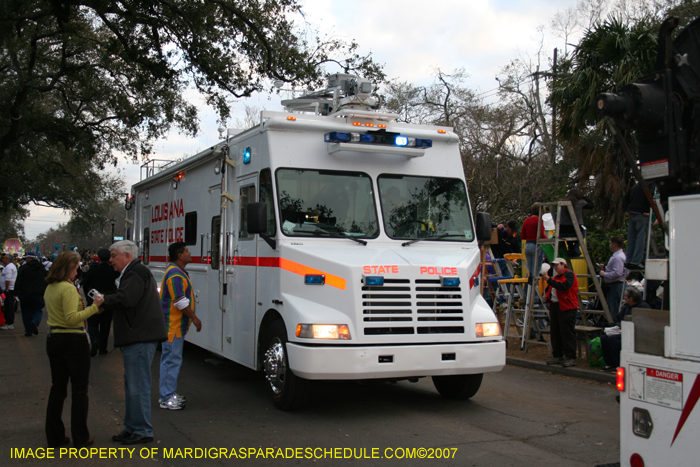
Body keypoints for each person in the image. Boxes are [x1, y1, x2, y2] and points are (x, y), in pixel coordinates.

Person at [102, 240, 167, 445]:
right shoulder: (135, 272)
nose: (110, 260)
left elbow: (126, 299)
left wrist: (104, 300)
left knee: (137, 385)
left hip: (139, 337)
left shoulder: (135, 273)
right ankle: (132, 427)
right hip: (138, 336)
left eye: (113, 256)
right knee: (132, 385)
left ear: (126, 256)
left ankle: (141, 430)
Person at [44, 251, 104, 449]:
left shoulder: (51, 287)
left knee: (58, 388)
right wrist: (95, 307)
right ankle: (80, 435)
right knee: (79, 390)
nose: (78, 269)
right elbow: (72, 318)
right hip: (73, 339)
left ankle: (55, 435)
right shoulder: (68, 289)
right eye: (75, 266)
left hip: (54, 338)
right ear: (69, 267)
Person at [159, 242, 202, 410]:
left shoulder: (176, 272)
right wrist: (195, 318)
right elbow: (179, 301)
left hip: (174, 326)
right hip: (173, 327)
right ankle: (166, 397)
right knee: (171, 361)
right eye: (186, 251)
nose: (189, 253)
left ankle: (169, 393)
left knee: (171, 360)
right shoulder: (176, 275)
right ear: (180, 256)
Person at [600, 287, 650, 370]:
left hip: (636, 334)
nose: (624, 297)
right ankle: (609, 363)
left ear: (631, 298)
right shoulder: (627, 306)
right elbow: (619, 318)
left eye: (626, 296)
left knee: (613, 340)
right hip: (623, 330)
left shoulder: (643, 307)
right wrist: (618, 326)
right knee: (604, 338)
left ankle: (619, 364)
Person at [82, 249, 119, 356]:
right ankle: (103, 348)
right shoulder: (113, 271)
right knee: (105, 325)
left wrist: (88, 295)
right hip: (108, 299)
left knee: (92, 323)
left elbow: (85, 284)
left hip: (94, 298)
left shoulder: (93, 270)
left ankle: (94, 340)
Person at [543, 257, 579, 367]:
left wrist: (549, 280)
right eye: (554, 266)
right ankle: (558, 355)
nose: (555, 267)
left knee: (567, 333)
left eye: (557, 265)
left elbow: (565, 287)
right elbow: (551, 290)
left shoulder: (569, 275)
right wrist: (547, 297)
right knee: (555, 332)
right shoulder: (556, 277)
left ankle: (571, 357)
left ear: (563, 264)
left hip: (567, 307)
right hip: (556, 306)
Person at [15, 251, 48, 337]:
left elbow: (18, 281)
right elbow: (47, 281)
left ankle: (28, 331)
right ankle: (35, 322)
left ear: (29, 259)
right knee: (38, 310)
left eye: (26, 258)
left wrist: (15, 292)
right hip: (38, 294)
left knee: (26, 312)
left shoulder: (23, 268)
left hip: (25, 293)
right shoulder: (42, 268)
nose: (25, 260)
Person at [622, 182, 652, 269]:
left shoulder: (634, 187)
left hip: (632, 213)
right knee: (640, 238)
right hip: (642, 214)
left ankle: (628, 260)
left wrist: (626, 209)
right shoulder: (649, 185)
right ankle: (636, 261)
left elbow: (625, 198)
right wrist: (646, 210)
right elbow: (649, 197)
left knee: (631, 237)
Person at [597, 236, 626, 323]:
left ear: (615, 244)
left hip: (616, 285)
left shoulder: (618, 257)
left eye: (610, 243)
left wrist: (604, 274)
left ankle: (615, 327)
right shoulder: (616, 256)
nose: (609, 245)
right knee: (612, 308)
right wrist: (605, 268)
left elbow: (618, 273)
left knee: (615, 309)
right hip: (614, 285)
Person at [558, 188, 593, 257]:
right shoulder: (580, 202)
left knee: (568, 231)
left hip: (562, 230)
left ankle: (570, 249)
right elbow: (591, 205)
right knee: (582, 232)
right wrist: (584, 197)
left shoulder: (562, 202)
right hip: (575, 229)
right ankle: (576, 248)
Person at [521, 203, 547, 278]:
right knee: (536, 271)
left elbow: (523, 236)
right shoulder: (539, 220)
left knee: (529, 271)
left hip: (527, 246)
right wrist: (547, 237)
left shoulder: (526, 220)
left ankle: (527, 288)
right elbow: (541, 235)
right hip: (536, 246)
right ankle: (534, 288)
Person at [0, 253, 18, 330]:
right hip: (8, 289)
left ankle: (9, 323)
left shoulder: (9, 267)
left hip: (9, 289)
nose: (2, 259)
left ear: (8, 259)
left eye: (4, 258)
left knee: (9, 306)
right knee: (7, 306)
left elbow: (8, 279)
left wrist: (6, 289)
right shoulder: (7, 267)